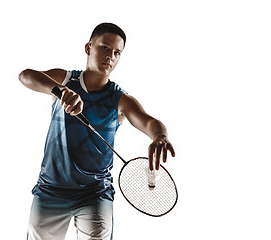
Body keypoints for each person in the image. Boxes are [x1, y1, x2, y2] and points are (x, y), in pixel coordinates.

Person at [18, 22, 175, 240]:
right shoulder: (65, 79)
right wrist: (60, 91)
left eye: (117, 52)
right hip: (51, 189)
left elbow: (148, 122)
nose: (110, 56)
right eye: (104, 47)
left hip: (94, 193)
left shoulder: (119, 99)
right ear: (88, 48)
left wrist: (160, 137)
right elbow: (25, 75)